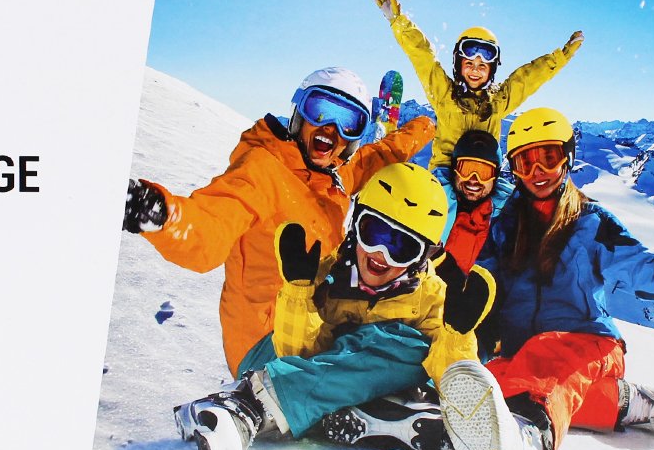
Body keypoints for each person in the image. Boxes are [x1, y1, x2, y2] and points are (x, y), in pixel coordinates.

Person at [436, 106, 654, 450]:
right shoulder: (504, 227)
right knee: (492, 382)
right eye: (525, 162)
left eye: (549, 157)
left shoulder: (593, 224)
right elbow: (484, 288)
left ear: (568, 157)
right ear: (514, 170)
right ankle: (629, 404)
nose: (537, 172)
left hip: (590, 343)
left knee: (542, 361)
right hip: (526, 356)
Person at [173, 163, 495, 450]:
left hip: (332, 382)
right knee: (403, 346)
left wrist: (456, 334)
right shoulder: (327, 275)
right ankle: (257, 404)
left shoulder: (432, 298)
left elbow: (452, 381)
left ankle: (315, 411)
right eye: (374, 232)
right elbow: (297, 355)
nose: (380, 253)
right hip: (281, 365)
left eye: (401, 247)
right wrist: (299, 292)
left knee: (414, 348)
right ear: (356, 225)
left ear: (423, 257)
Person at [121, 67, 435, 377]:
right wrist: (161, 214)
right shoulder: (263, 171)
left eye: (348, 122)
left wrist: (427, 125)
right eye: (320, 110)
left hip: (313, 324)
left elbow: (380, 155)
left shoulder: (333, 175)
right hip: (265, 342)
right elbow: (209, 226)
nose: (331, 129)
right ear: (299, 114)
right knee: (393, 353)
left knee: (409, 331)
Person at [372, 0, 582, 221]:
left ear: (491, 71)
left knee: (513, 208)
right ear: (458, 64)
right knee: (443, 209)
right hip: (447, 174)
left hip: (486, 176)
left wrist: (560, 57)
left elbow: (527, 78)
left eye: (483, 66)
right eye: (469, 63)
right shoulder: (444, 95)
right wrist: (398, 20)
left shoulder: (498, 101)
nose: (475, 70)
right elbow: (423, 57)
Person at [441, 129, 501, 272]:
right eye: (466, 169)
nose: (473, 180)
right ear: (454, 170)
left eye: (484, 173)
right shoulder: (432, 202)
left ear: (495, 177)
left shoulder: (509, 214)